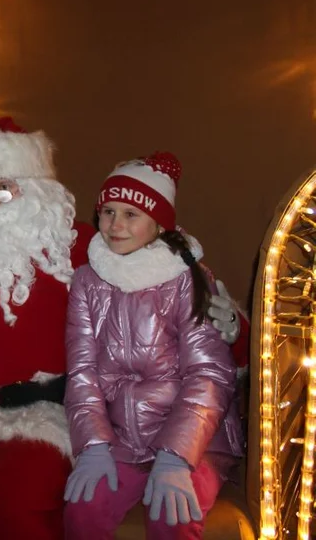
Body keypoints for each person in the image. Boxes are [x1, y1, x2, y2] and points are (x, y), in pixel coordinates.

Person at [0, 117, 244, 540]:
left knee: (16, 509)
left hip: (38, 413)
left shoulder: (84, 248)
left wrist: (234, 332)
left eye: (5, 188)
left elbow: (164, 272)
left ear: (34, 191)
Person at [63, 152, 244, 538]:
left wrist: (176, 456)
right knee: (83, 510)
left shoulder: (187, 279)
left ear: (159, 223)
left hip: (195, 442)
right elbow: (82, 372)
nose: (115, 225)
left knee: (173, 516)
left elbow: (209, 374)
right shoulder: (87, 281)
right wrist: (93, 444)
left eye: (131, 214)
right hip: (121, 439)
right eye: (108, 212)